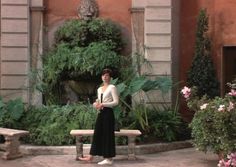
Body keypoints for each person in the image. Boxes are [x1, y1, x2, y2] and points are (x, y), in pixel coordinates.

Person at [79, 68, 119, 165]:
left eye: (107, 75)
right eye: (103, 75)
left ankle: (109, 159)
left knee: (107, 135)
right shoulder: (99, 89)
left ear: (110, 77)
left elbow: (116, 102)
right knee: (97, 133)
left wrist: (103, 104)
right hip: (101, 113)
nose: (105, 77)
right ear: (101, 77)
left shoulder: (112, 87)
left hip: (108, 113)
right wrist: (95, 104)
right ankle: (91, 156)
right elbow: (99, 100)